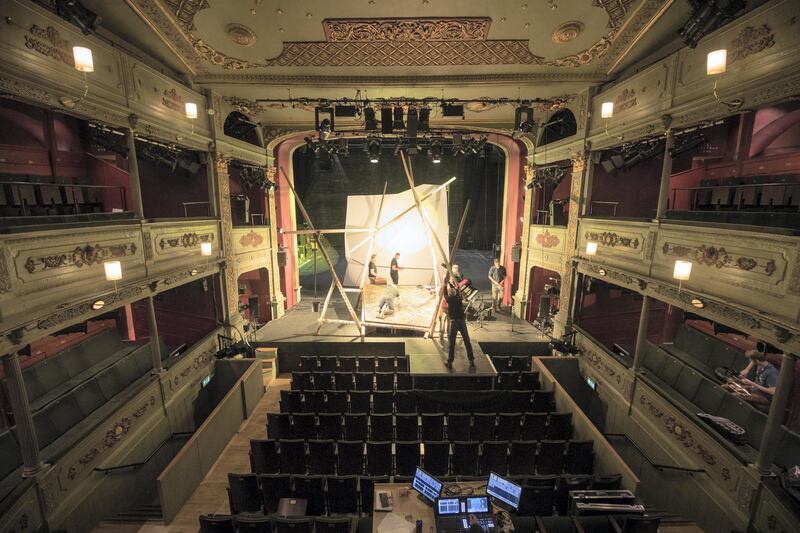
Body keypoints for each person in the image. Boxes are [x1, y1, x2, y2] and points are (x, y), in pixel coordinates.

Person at [444, 280, 475, 368]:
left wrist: (445, 284)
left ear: (450, 295)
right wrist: (450, 284)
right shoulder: (459, 298)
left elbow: (445, 292)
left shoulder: (449, 300)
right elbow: (456, 290)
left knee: (452, 343)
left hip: (454, 323)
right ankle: (471, 360)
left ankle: (449, 362)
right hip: (462, 322)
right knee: (467, 341)